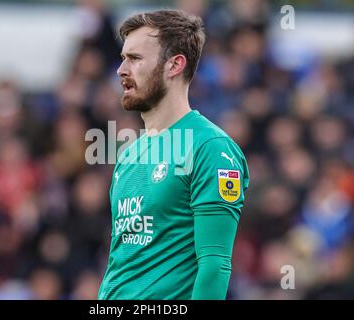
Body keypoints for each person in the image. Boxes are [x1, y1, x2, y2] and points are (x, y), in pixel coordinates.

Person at [98, 9, 249, 300]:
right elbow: (122, 262)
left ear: (175, 65)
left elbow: (214, 265)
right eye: (123, 58)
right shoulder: (129, 155)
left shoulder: (210, 148)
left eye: (135, 58)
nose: (121, 70)